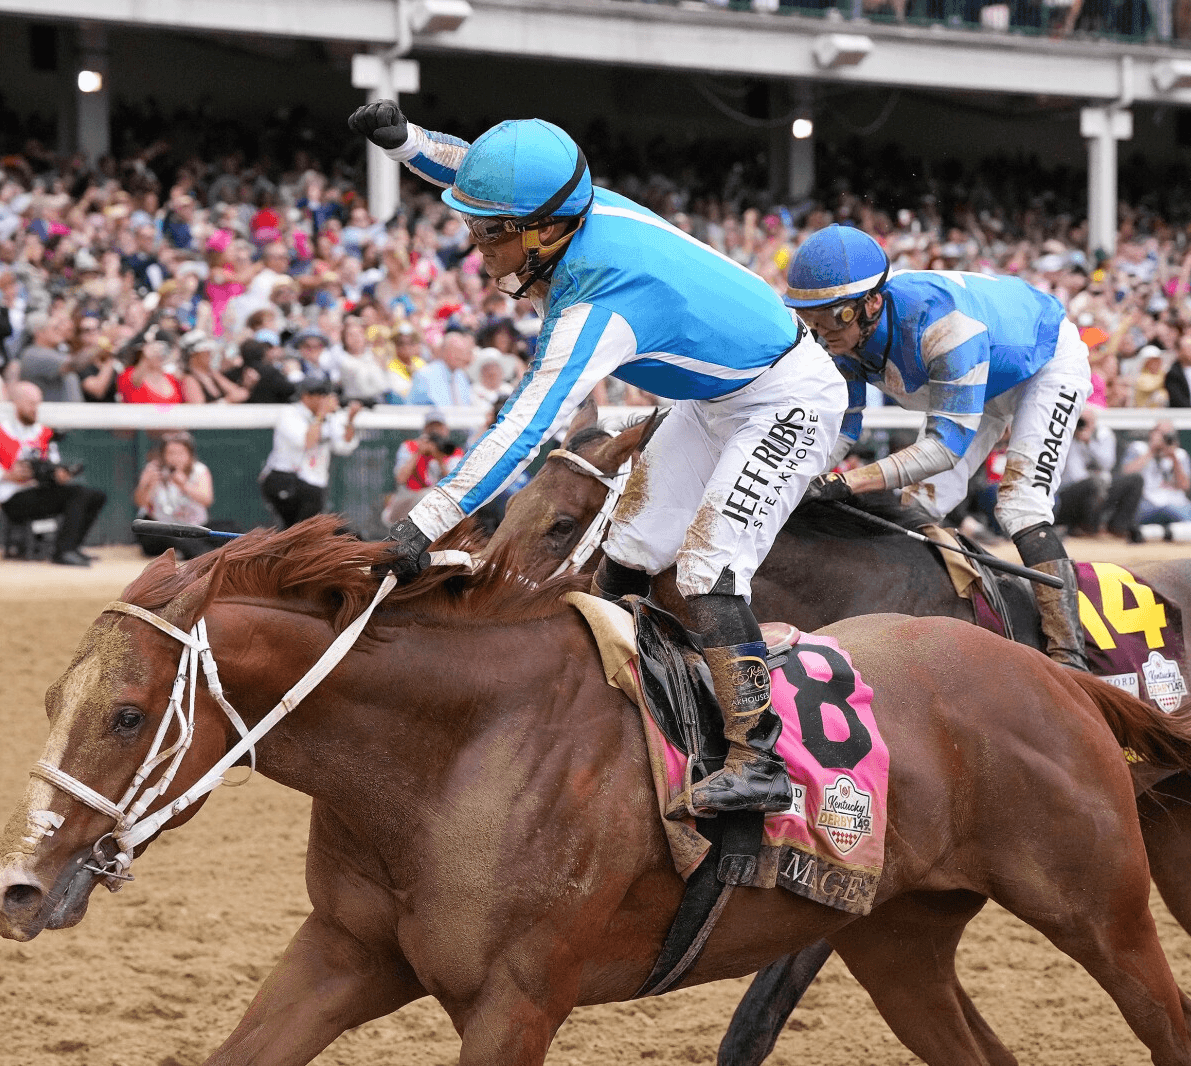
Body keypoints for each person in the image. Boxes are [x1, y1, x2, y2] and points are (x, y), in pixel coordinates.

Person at [351, 100, 846, 817]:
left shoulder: (600, 305)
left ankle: (758, 758)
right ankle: (614, 703)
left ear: (548, 233)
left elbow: (524, 427)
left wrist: (422, 525)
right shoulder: (568, 207)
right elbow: (482, 176)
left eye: (491, 237)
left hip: (787, 401)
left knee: (707, 566)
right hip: (717, 399)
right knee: (633, 541)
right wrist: (406, 144)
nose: (477, 249)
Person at [784, 224, 1092, 671]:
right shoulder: (841, 340)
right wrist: (797, 476)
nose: (822, 331)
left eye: (835, 316)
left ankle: (1070, 658)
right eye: (811, 317)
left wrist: (844, 483)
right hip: (976, 379)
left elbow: (945, 448)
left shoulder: (943, 326)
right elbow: (843, 431)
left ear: (871, 303)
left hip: (1043, 365)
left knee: (1020, 505)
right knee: (919, 506)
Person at [0, 382, 107, 566]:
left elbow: (52, 465)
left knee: (95, 496)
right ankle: (63, 551)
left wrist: (59, 475)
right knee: (78, 494)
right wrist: (7, 475)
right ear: (17, 403)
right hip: (12, 497)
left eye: (38, 404)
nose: (36, 409)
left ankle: (72, 547)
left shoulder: (43, 432)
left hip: (40, 491)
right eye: (31, 404)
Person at [258, 378, 362, 528]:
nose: (324, 399)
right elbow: (306, 442)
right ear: (306, 396)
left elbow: (344, 446)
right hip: (285, 479)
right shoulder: (290, 413)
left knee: (305, 532)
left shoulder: (330, 417)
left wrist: (350, 419)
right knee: (294, 530)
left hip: (313, 483)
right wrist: (321, 414)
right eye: (320, 395)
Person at [1121, 421, 1191, 534]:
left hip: (1179, 505)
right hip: (1150, 505)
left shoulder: (1180, 455)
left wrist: (1174, 458)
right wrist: (1151, 451)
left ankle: (1184, 529)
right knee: (1168, 509)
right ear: (1152, 433)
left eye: (1168, 434)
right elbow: (1126, 473)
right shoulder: (1139, 448)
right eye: (1161, 433)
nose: (1164, 438)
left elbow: (1185, 486)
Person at [1056, 405, 1143, 541]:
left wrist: (1089, 442)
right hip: (1071, 495)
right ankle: (1089, 528)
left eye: (1087, 421)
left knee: (1136, 480)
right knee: (1094, 484)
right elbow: (1074, 476)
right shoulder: (1064, 435)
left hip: (1101, 489)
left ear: (1094, 422)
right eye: (1080, 420)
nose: (1083, 425)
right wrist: (1074, 437)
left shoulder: (1103, 434)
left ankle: (1117, 527)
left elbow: (1107, 464)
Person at [133, 432, 221, 558]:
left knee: (228, 530)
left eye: (180, 453)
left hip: (195, 527)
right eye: (171, 453)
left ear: (190, 455)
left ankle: (194, 551)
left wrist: (184, 485)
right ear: (163, 455)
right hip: (164, 529)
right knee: (161, 538)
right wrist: (146, 485)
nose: (176, 458)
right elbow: (140, 502)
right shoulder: (153, 470)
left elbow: (207, 500)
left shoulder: (199, 470)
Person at [382, 410, 464, 526]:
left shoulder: (453, 451)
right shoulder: (410, 446)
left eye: (438, 427)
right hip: (408, 500)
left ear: (446, 429)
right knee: (427, 496)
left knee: (433, 496)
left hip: (439, 507)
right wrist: (418, 453)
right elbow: (400, 479)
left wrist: (439, 459)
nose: (435, 431)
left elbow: (455, 485)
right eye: (431, 427)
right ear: (424, 430)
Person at [407, 328, 477, 407]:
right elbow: (412, 408)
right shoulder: (424, 375)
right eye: (455, 351)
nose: (459, 356)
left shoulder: (461, 376)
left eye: (462, 352)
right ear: (443, 351)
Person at [117, 324, 184, 404]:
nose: (159, 354)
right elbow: (134, 381)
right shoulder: (129, 375)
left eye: (162, 349)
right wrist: (146, 357)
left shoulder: (172, 379)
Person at [179, 332, 248, 404]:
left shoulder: (212, 374)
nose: (209, 353)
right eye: (205, 351)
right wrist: (226, 401)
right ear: (194, 356)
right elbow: (198, 411)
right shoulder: (189, 380)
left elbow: (240, 393)